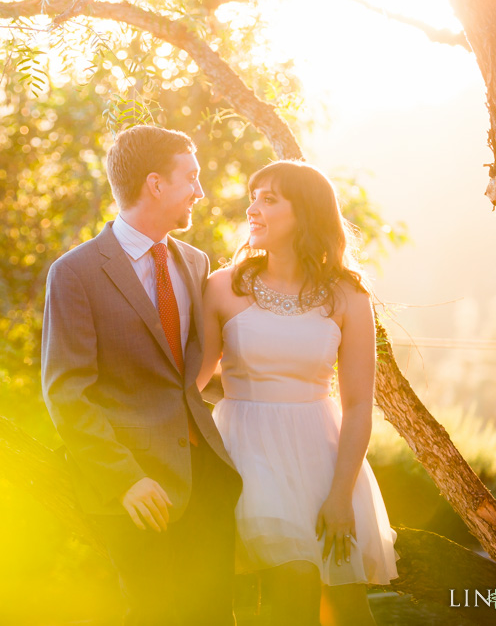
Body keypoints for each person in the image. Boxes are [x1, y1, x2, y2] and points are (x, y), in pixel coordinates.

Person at [42, 125, 242, 625]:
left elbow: (195, 371)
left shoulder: (196, 263)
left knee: (215, 616)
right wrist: (126, 480)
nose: (200, 191)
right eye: (191, 178)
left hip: (208, 481)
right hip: (138, 493)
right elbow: (67, 392)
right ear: (156, 184)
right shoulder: (75, 272)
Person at [198, 161, 398, 626]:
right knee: (293, 584)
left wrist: (340, 496)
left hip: (323, 456)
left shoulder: (348, 296)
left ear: (306, 212)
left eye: (270, 199)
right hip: (248, 453)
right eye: (253, 196)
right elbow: (194, 383)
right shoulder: (222, 288)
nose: (253, 208)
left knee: (348, 609)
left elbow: (356, 406)